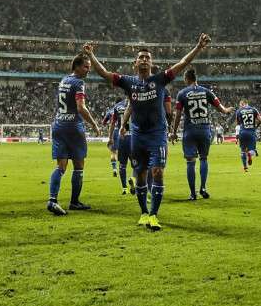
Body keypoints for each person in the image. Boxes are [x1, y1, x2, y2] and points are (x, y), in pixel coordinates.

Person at [85, 33, 211, 231]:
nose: (144, 59)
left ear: (152, 63)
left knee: (157, 171)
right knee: (141, 174)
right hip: (138, 136)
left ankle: (153, 215)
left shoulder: (160, 80)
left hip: (157, 135)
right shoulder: (128, 82)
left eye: (148, 57)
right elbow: (104, 73)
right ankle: (144, 213)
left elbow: (183, 62)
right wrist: (91, 55)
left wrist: (199, 46)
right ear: (135, 63)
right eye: (141, 57)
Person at [46, 52, 101, 215]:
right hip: (73, 127)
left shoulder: (64, 80)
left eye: (89, 67)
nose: (88, 70)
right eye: (86, 67)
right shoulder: (79, 83)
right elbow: (80, 107)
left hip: (58, 125)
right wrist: (94, 124)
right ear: (76, 66)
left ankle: (52, 200)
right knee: (79, 165)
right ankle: (74, 202)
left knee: (61, 166)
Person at [170, 68, 234, 200]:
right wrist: (227, 110)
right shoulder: (206, 92)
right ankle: (203, 187)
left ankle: (193, 194)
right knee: (204, 158)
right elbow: (221, 108)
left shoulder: (182, 93)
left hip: (190, 130)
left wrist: (174, 132)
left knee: (190, 161)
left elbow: (178, 114)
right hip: (205, 130)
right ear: (196, 79)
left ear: (186, 79)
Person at [110, 97, 131, 195]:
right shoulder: (135, 104)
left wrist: (110, 138)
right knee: (139, 165)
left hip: (121, 137)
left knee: (122, 164)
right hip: (133, 136)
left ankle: (124, 188)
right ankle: (133, 178)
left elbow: (112, 122)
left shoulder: (117, 106)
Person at [235, 99, 261, 172]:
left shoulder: (239, 111)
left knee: (243, 150)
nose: (240, 106)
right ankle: (250, 153)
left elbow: (238, 122)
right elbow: (260, 120)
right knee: (252, 149)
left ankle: (245, 168)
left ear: (242, 103)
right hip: (251, 132)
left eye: (240, 105)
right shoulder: (254, 110)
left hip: (242, 132)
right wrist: (256, 126)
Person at [102, 104, 119, 177]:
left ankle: (114, 169)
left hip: (114, 132)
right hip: (124, 132)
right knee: (129, 153)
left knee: (113, 153)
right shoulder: (125, 108)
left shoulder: (110, 111)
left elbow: (103, 122)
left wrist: (108, 123)